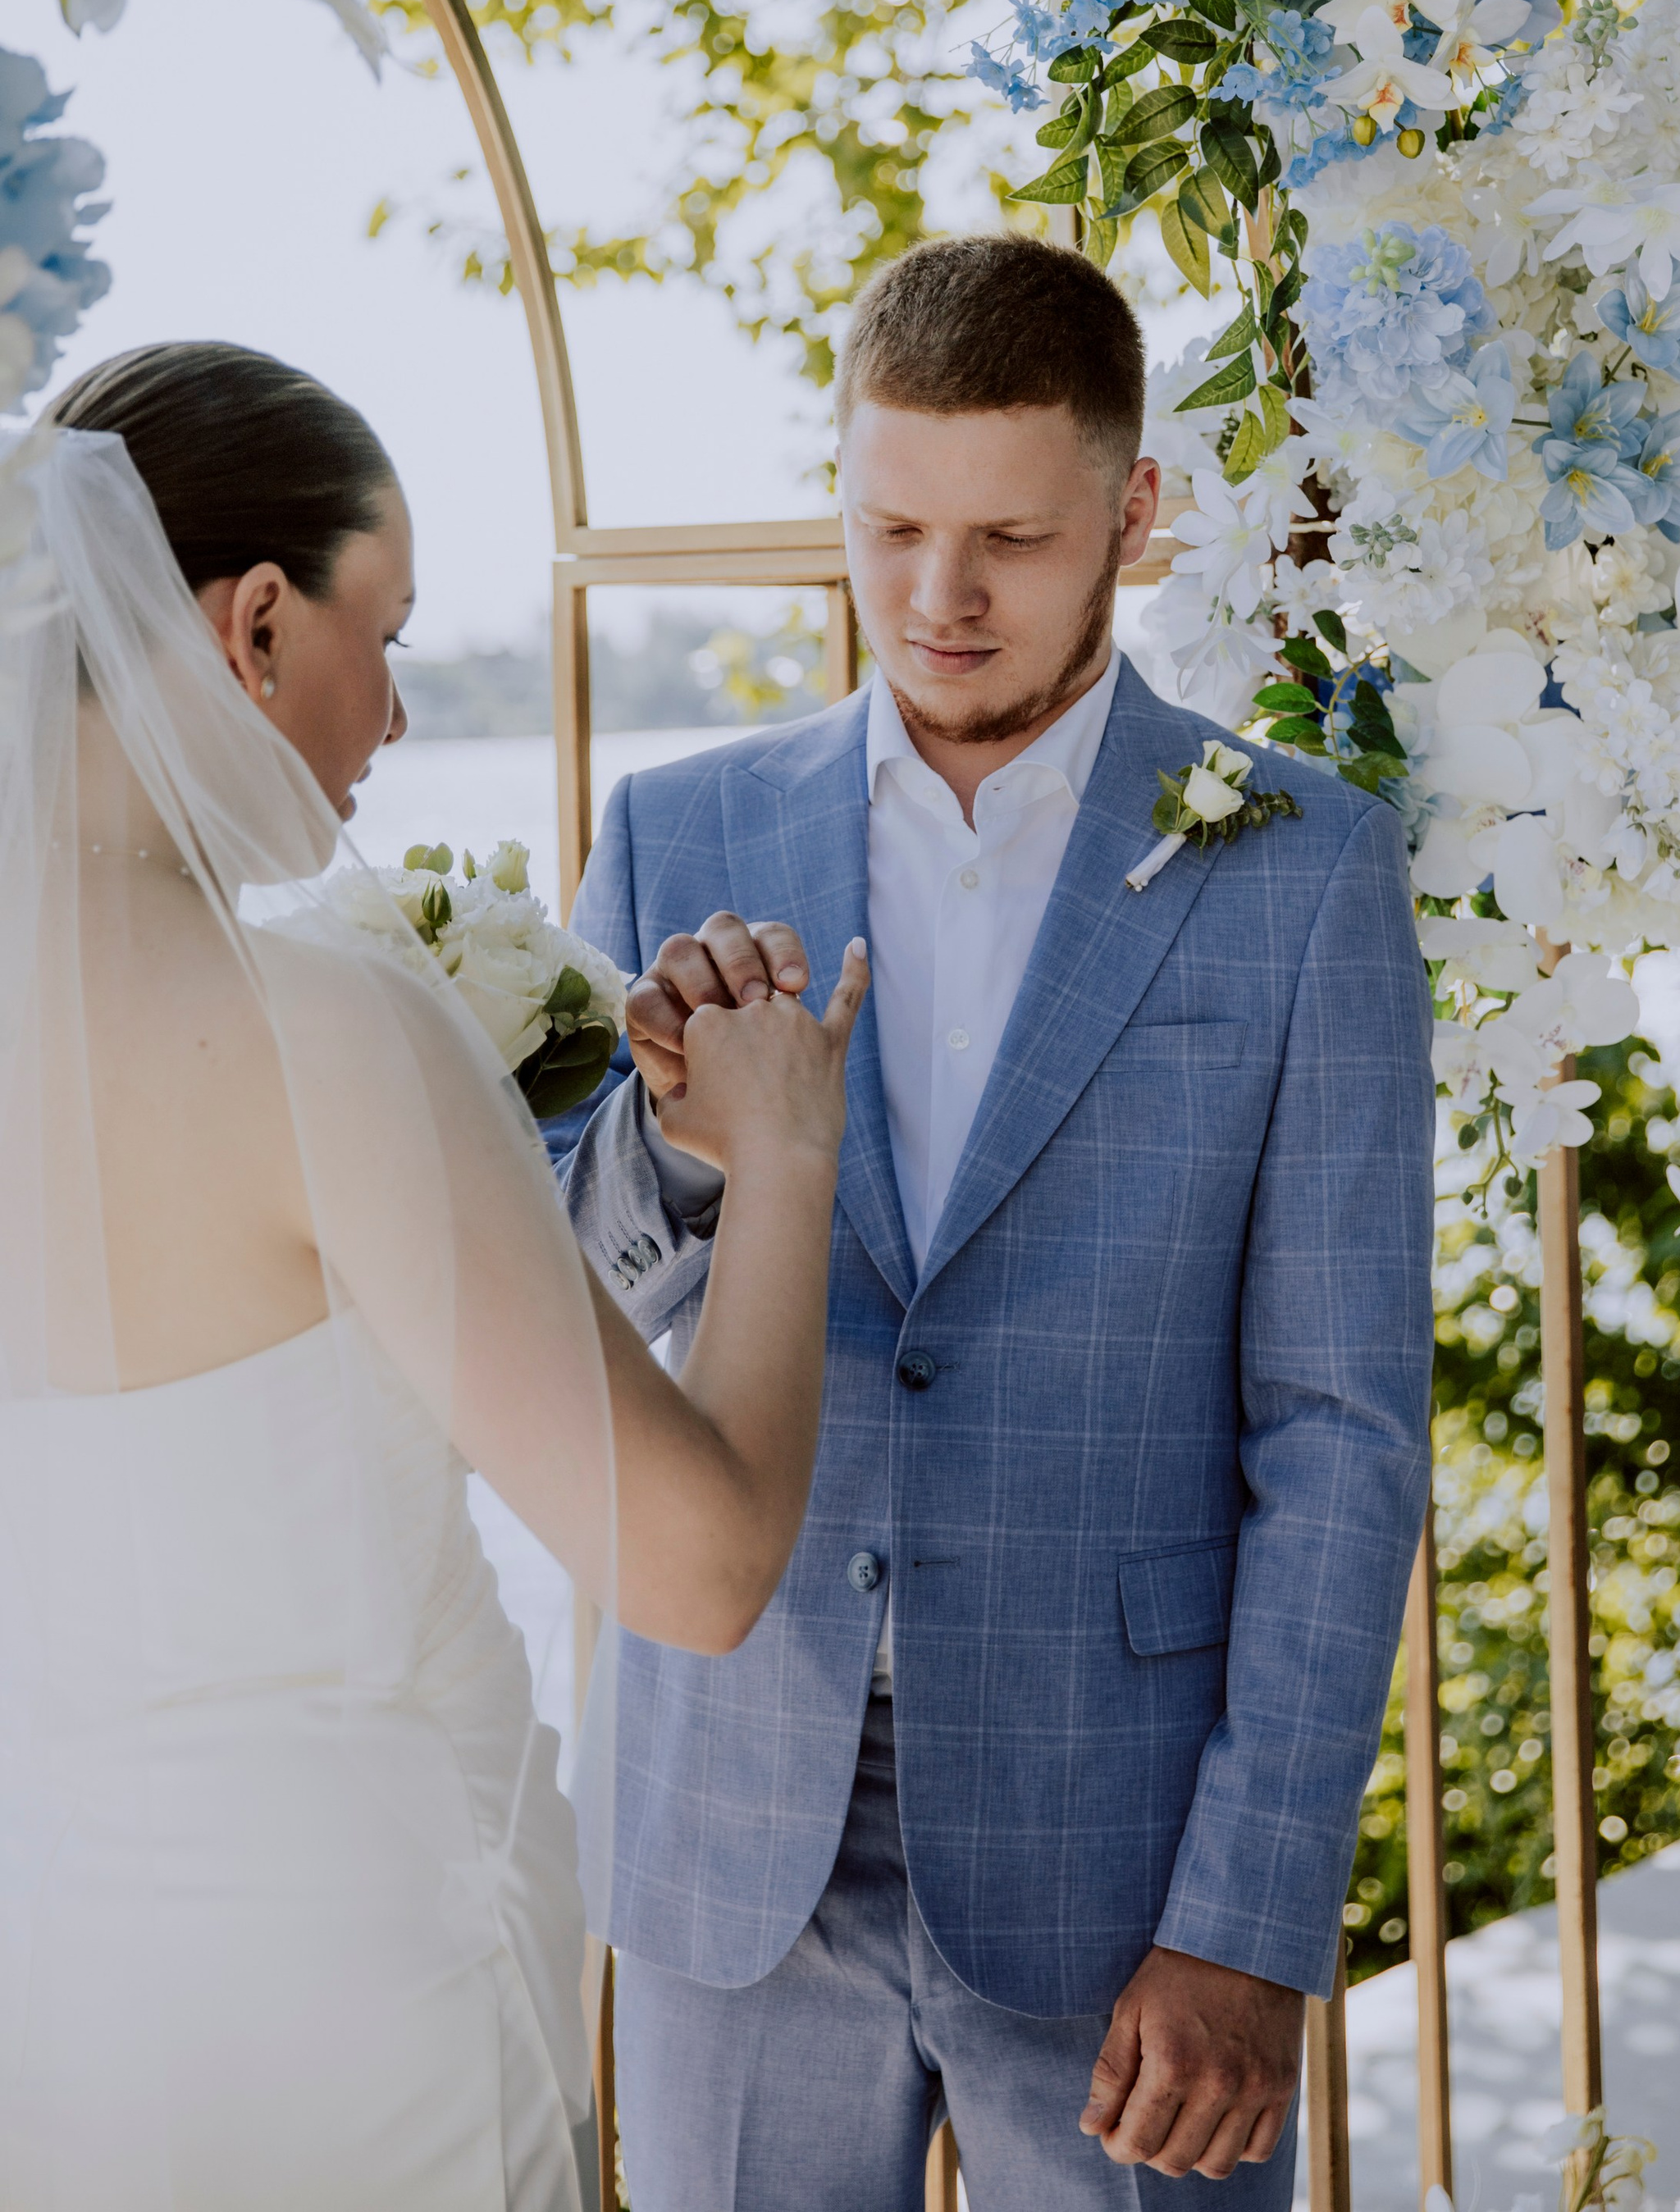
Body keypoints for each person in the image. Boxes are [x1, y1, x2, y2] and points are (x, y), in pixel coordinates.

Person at [549, 237, 1436, 2210]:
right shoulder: (673, 833)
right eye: (889, 527)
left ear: (1132, 513)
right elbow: (560, 1299)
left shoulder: (1303, 869)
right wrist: (690, 1153)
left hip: (1128, 1864)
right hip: (731, 1818)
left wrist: (1250, 1919)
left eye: (1012, 539)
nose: (937, 601)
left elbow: (1344, 1433)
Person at [0, 343, 865, 2212]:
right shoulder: (323, 1031)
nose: (393, 712)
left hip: (60, 2006)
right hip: (354, 1991)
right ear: (250, 622)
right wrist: (782, 1157)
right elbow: (694, 1567)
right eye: (378, 632)